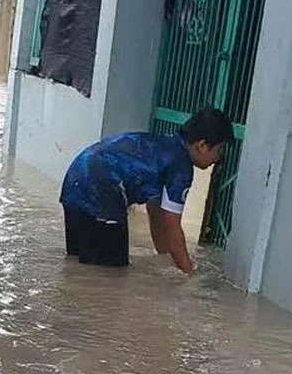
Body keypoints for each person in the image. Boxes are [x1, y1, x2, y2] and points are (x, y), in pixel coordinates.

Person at [58, 107, 234, 274]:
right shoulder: (181, 166)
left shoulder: (164, 147)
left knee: (78, 268)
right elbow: (173, 226)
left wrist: (165, 260)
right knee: (112, 276)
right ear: (202, 145)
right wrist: (189, 275)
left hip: (75, 178)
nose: (219, 159)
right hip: (101, 188)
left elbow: (157, 215)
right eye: (219, 149)